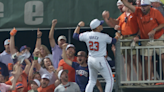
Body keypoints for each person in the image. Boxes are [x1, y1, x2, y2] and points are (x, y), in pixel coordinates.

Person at [121, 0, 164, 80]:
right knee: (147, 59)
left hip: (158, 37)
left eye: (145, 6)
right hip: (146, 39)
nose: (143, 8)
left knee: (162, 57)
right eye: (142, 6)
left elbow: (162, 23)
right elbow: (128, 5)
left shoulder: (155, 12)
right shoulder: (138, 11)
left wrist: (154, 30)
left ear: (149, 6)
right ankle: (149, 79)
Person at [73, 19, 120, 92]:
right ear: (97, 27)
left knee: (92, 81)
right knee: (110, 80)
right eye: (100, 24)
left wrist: (78, 26)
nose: (101, 25)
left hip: (91, 59)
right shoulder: (103, 36)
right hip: (100, 59)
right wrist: (117, 35)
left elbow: (75, 36)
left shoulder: (87, 34)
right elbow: (113, 41)